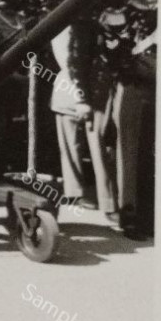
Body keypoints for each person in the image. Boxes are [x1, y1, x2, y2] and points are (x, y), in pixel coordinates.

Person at [105, 0, 157, 240]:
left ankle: (151, 216)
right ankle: (131, 216)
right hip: (133, 89)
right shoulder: (118, 17)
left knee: (154, 155)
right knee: (130, 153)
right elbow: (117, 60)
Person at [49, 16, 117, 222]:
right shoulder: (75, 26)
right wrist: (81, 98)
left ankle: (90, 198)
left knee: (85, 149)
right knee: (92, 149)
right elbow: (72, 63)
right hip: (80, 94)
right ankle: (100, 202)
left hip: (78, 93)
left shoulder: (74, 23)